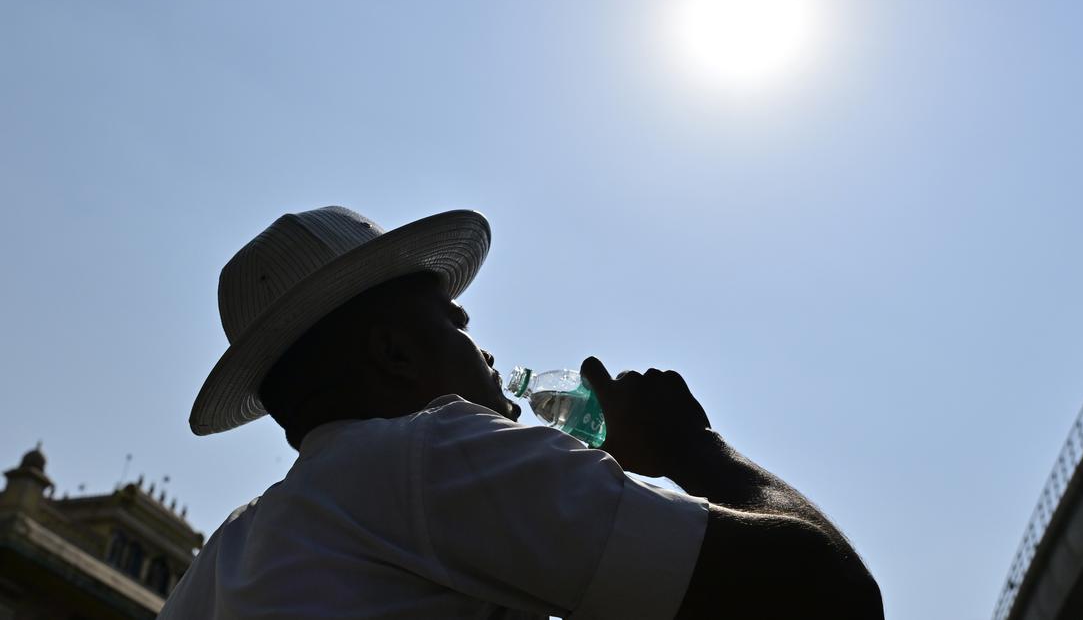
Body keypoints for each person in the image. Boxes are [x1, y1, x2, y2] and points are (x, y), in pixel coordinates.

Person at [161, 206, 882, 619]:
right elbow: (835, 597)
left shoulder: (219, 563)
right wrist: (691, 446)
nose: (481, 344)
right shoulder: (434, 455)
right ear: (396, 353)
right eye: (455, 321)